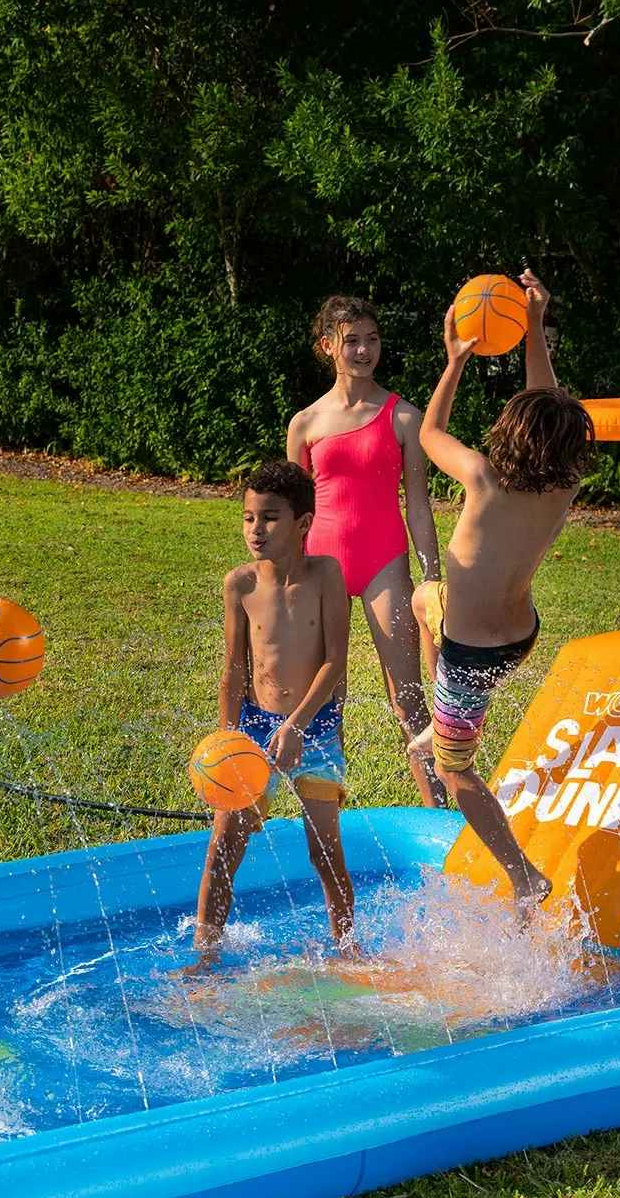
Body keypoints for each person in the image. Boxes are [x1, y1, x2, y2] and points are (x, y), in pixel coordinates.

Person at [411, 272, 595, 915]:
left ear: (510, 435)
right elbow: (548, 405)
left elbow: (430, 433)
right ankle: (438, 727)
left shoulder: (484, 478)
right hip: (517, 637)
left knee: (455, 771)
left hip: (470, 656)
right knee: (421, 598)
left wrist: (455, 361)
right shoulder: (563, 485)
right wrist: (534, 327)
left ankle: (524, 877)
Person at [189, 461, 356, 972]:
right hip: (254, 731)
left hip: (316, 730)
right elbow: (235, 670)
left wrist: (298, 726)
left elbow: (334, 662)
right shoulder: (239, 584)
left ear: (303, 524)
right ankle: (206, 953)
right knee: (223, 847)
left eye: (269, 518)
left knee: (324, 852)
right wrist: (226, 740)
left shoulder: (327, 575)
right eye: (247, 518)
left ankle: (348, 953)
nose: (255, 530)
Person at [287, 296, 445, 808]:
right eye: (352, 340)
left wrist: (431, 575)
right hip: (320, 566)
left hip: (384, 563)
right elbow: (295, 512)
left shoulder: (403, 417)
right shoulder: (305, 424)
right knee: (326, 699)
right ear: (327, 346)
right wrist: (285, 577)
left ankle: (440, 809)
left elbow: (418, 505)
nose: (364, 350)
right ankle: (324, 815)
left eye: (372, 339)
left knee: (409, 698)